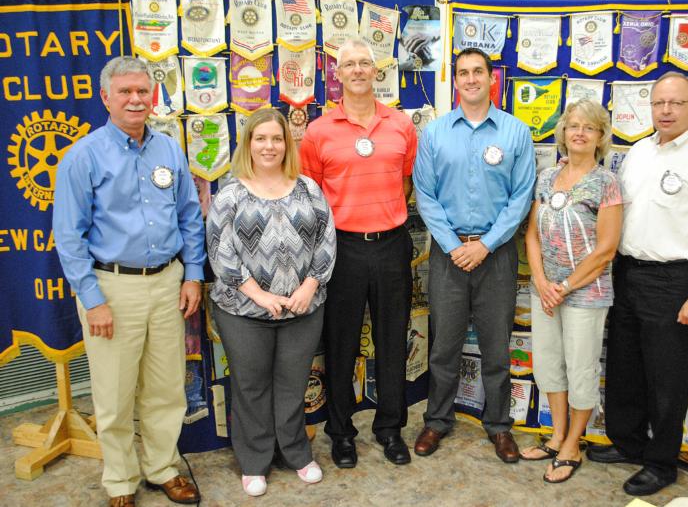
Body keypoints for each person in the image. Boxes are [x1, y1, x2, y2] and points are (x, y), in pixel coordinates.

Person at [53, 56, 205, 507]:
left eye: (143, 91)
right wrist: (92, 298)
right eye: (125, 92)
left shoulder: (168, 151)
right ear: (106, 97)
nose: (136, 99)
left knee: (165, 389)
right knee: (114, 394)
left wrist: (193, 274)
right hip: (112, 290)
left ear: (152, 96)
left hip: (167, 286)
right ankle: (120, 480)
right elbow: (69, 236)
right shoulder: (83, 156)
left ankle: (161, 468)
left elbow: (189, 217)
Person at [587, 71, 688, 496]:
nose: (666, 111)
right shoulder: (639, 152)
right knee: (626, 368)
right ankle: (629, 444)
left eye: (675, 103)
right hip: (629, 274)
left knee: (668, 379)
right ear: (650, 107)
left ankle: (661, 462)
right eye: (659, 103)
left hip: (677, 281)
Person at [412, 47, 535, 463]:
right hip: (448, 255)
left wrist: (484, 245)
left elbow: (521, 197)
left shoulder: (516, 133)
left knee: (496, 348)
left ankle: (499, 426)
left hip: (496, 254)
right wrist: (454, 246)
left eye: (477, 71)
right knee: (444, 346)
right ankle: (437, 420)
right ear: (456, 81)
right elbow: (425, 196)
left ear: (490, 78)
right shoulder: (434, 133)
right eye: (462, 72)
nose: (470, 79)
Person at [299, 38, 417, 468]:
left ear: (376, 70)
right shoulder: (318, 132)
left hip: (390, 245)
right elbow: (311, 194)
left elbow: (405, 182)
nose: (358, 70)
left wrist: (381, 213)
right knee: (340, 344)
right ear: (338, 73)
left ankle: (390, 429)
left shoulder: (401, 124)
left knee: (392, 341)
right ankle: (341, 433)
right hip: (342, 248)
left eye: (365, 63)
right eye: (349, 64)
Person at [206, 109, 336, 497]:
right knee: (251, 386)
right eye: (260, 138)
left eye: (276, 139)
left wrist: (310, 285)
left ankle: (296, 453)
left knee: (292, 384)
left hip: (301, 309)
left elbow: (326, 241)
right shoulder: (230, 193)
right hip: (242, 311)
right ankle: (254, 460)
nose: (269, 146)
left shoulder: (308, 189)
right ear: (248, 144)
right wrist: (259, 294)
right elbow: (220, 251)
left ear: (286, 144)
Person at [522, 99, 622, 483]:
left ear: (600, 137)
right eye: (572, 126)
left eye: (589, 128)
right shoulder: (547, 177)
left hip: (585, 293)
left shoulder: (606, 182)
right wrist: (543, 283)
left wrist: (563, 286)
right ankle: (556, 436)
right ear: (562, 132)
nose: (579, 132)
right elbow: (531, 234)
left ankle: (573, 444)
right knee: (548, 365)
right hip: (545, 291)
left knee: (580, 369)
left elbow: (606, 249)